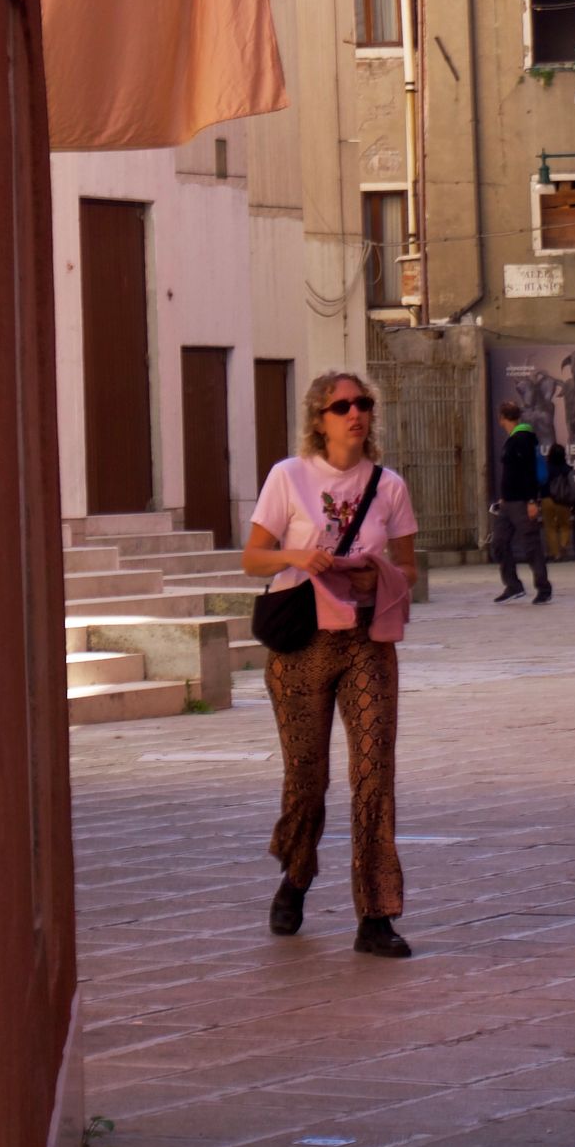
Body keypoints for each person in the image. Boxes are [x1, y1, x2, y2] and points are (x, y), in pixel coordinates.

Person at [243, 370, 418, 958]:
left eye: (363, 403)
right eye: (342, 405)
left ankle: (377, 914)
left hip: (368, 639)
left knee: (375, 775)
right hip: (302, 645)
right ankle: (296, 875)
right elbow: (253, 559)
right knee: (307, 779)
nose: (355, 413)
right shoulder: (287, 477)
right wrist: (302, 556)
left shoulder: (388, 486)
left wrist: (381, 574)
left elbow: (411, 568)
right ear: (320, 418)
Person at [491, 398, 552, 605]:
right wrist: (503, 497)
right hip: (508, 502)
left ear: (502, 419)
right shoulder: (512, 439)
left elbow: (527, 472)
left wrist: (532, 501)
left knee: (531, 545)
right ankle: (513, 585)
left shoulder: (523, 439)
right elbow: (512, 473)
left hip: (522, 502)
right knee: (499, 542)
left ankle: (543, 588)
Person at [541, 437, 575, 563]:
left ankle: (555, 554)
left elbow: (540, 482)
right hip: (563, 500)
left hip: (547, 499)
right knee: (565, 525)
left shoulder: (545, 467)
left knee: (550, 527)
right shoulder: (567, 469)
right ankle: (563, 547)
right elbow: (572, 486)